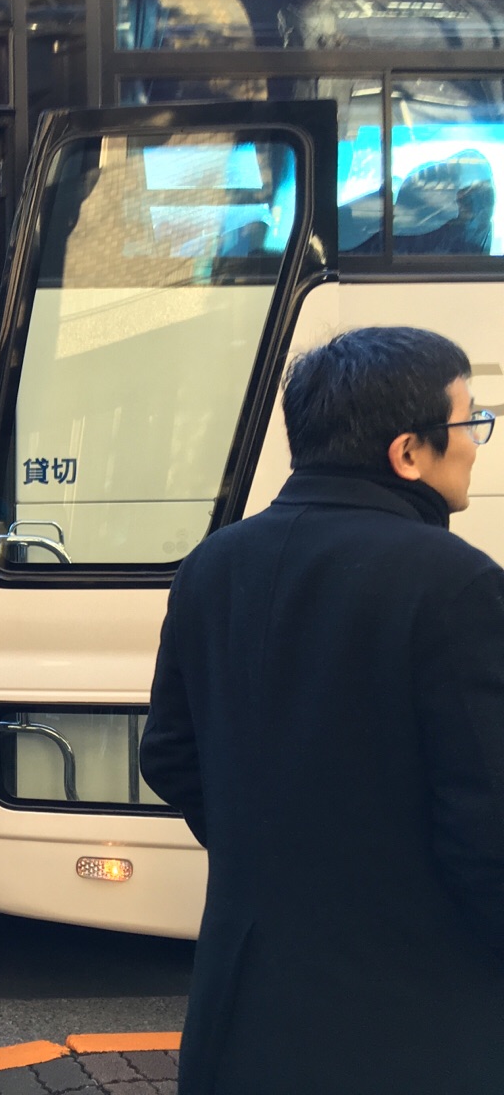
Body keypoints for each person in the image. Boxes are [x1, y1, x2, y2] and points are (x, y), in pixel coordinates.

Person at [140, 327, 504, 1095]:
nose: (477, 443)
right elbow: (487, 820)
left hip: (241, 1012)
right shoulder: (458, 585)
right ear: (408, 452)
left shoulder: (212, 563)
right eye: (471, 420)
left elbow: (168, 755)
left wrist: (270, 856)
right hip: (411, 1019)